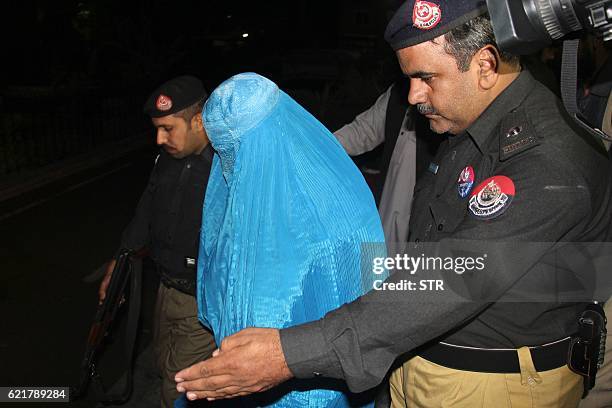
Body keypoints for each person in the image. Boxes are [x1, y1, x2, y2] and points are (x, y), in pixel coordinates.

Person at [175, 2, 612, 407]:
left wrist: (287, 353)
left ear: (485, 65)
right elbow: (426, 252)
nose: (414, 95)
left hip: (488, 384)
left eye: (426, 78)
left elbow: (452, 277)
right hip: (425, 362)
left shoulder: (548, 161)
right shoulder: (473, 128)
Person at [194, 72, 384, 407]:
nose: (231, 165)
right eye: (221, 152)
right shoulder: (236, 194)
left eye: (238, 150)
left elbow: (372, 310)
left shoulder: (344, 209)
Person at [98, 75, 216, 408]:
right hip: (165, 289)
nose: (158, 138)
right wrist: (119, 261)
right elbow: (146, 212)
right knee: (164, 361)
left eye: (167, 128)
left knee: (179, 385)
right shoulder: (166, 160)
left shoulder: (227, 167)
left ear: (197, 121)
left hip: (202, 302)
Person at [333, 78, 445, 256]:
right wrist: (320, 145)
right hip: (389, 201)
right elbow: (363, 131)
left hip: (426, 212)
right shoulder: (398, 93)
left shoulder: (446, 92)